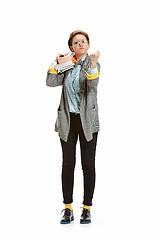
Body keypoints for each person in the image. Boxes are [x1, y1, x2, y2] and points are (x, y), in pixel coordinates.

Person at [46, 30, 100, 224]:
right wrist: (56, 63)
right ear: (71, 47)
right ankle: (67, 208)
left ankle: (87, 208)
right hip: (67, 121)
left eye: (84, 41)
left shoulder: (93, 64)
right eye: (77, 42)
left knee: (88, 165)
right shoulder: (67, 65)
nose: (81, 44)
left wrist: (93, 64)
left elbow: (92, 86)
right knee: (68, 164)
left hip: (87, 121)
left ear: (88, 44)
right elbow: (50, 82)